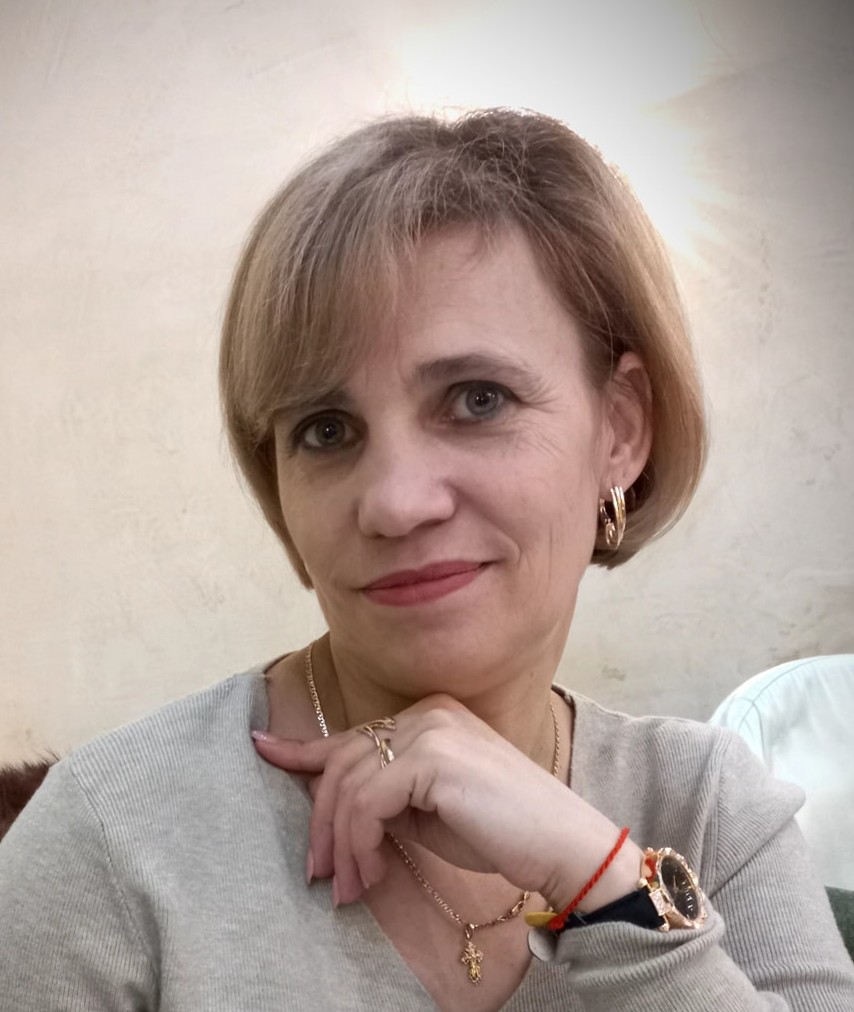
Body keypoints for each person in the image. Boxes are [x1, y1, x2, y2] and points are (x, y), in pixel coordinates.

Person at [1, 109, 852, 1012]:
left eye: (478, 399)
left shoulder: (712, 810)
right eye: (326, 430)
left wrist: (605, 884)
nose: (395, 502)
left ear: (620, 429)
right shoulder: (111, 839)